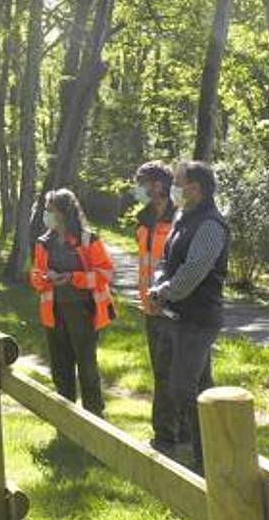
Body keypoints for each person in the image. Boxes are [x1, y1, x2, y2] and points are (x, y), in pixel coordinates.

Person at [148, 161, 230, 475]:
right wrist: (158, 287)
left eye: (180, 183)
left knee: (184, 387)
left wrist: (164, 292)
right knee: (201, 387)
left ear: (196, 188)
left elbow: (193, 271)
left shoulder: (211, 224)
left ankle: (204, 460)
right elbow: (166, 259)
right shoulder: (184, 216)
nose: (174, 189)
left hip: (199, 319)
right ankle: (213, 454)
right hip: (178, 315)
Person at [133, 161, 210, 454]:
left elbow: (189, 266)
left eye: (143, 184)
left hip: (180, 309)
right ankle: (165, 435)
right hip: (151, 310)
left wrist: (170, 295)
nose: (138, 190)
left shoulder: (183, 219)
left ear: (158, 186)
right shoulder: (142, 220)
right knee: (162, 373)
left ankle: (193, 437)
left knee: (189, 377)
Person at [30, 189, 115, 417]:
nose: (46, 214)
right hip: (54, 312)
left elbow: (105, 273)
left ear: (64, 213)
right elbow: (36, 273)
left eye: (50, 210)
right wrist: (45, 279)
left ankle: (95, 417)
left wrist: (73, 278)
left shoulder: (88, 239)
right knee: (60, 367)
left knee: (86, 367)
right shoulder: (43, 242)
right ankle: (66, 418)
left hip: (83, 311)